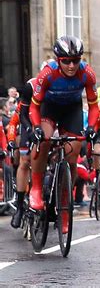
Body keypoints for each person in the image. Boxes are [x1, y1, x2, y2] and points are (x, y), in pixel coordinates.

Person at [29, 35, 98, 236]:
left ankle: (65, 209)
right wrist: (36, 127)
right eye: (66, 61)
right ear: (58, 60)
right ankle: (36, 190)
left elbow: (93, 107)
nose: (71, 65)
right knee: (44, 140)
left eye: (75, 60)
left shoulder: (87, 74)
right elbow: (34, 106)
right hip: (49, 108)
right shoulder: (47, 73)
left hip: (72, 110)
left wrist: (92, 127)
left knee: (73, 154)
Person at [8, 79, 34, 228]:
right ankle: (19, 206)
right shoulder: (23, 104)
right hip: (27, 128)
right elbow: (13, 123)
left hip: (45, 127)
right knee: (24, 161)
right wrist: (11, 140)